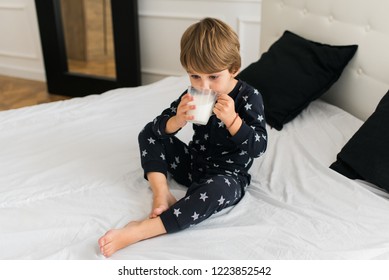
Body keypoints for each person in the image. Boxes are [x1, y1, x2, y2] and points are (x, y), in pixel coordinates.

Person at [98, 17, 267, 257]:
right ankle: (161, 193)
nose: (204, 85)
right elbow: (157, 129)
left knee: (217, 192)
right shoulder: (195, 93)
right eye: (195, 76)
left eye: (213, 77)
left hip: (227, 176)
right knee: (150, 132)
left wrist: (233, 121)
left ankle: (144, 230)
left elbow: (259, 147)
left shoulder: (250, 97)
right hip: (192, 164)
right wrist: (176, 120)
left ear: (233, 69)